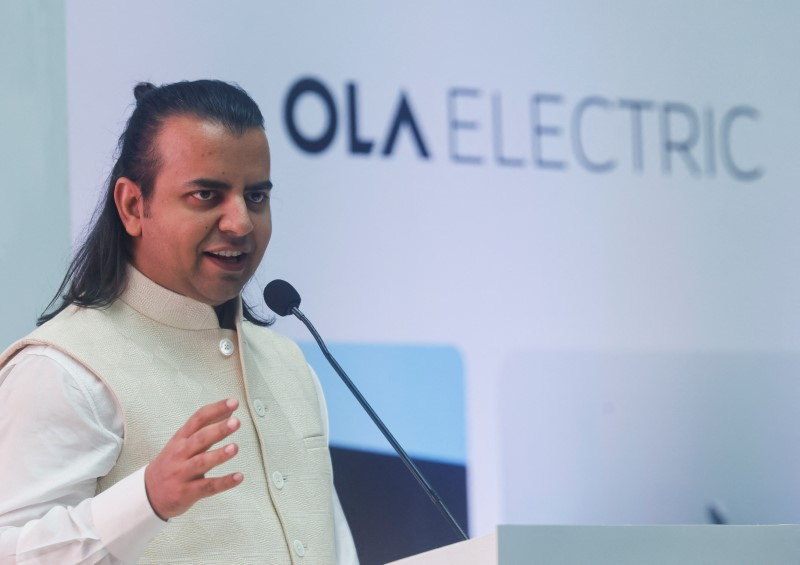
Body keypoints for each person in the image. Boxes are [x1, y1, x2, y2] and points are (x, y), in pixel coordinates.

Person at [0, 80, 358, 564]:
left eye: (256, 197)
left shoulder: (288, 363)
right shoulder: (64, 370)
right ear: (132, 206)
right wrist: (146, 499)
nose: (240, 223)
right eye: (207, 195)